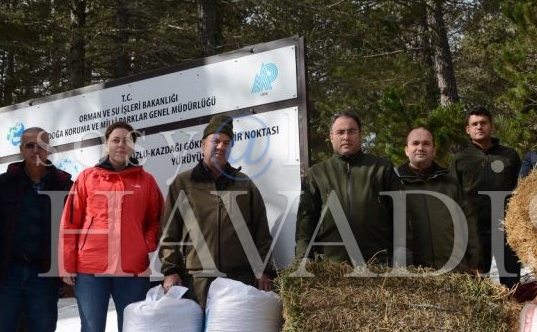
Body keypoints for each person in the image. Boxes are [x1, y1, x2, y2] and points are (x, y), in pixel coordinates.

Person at [60, 121, 163, 332]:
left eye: (127, 140)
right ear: (107, 143)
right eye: (116, 139)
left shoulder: (146, 181)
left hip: (132, 269)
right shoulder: (88, 178)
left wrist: (146, 243)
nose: (121, 145)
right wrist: (67, 263)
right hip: (90, 268)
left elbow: (156, 218)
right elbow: (71, 222)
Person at [0, 128, 73, 332]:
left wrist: (68, 272)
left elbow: (73, 231)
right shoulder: (2, 184)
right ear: (21, 149)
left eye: (42, 146)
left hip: (44, 275)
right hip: (8, 272)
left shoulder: (64, 185)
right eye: (30, 145)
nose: (36, 151)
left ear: (49, 150)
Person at [159, 115, 276, 307]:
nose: (221, 147)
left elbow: (261, 232)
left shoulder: (245, 184)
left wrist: (264, 270)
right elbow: (169, 232)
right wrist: (170, 271)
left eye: (227, 143)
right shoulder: (183, 184)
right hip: (197, 280)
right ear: (203, 144)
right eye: (216, 141)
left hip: (239, 279)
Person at [295, 112, 402, 266]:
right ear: (331, 137)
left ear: (360, 135)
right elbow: (306, 219)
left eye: (352, 131)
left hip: (378, 263)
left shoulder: (381, 168)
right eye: (340, 132)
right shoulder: (316, 173)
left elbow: (400, 213)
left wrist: (402, 251)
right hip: (331, 266)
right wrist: (303, 256)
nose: (346, 137)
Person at [449, 106, 522, 288]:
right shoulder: (460, 159)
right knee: (476, 284)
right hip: (474, 232)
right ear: (468, 129)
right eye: (474, 124)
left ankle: (514, 315)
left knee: (512, 283)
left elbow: (520, 191)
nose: (479, 127)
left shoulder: (510, 156)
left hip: (507, 230)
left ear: (492, 126)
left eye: (483, 123)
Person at [394, 127, 471, 273]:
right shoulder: (395, 184)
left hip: (454, 270)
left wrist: (475, 261)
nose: (420, 148)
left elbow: (469, 222)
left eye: (426, 144)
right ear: (406, 150)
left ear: (434, 150)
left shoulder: (450, 182)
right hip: (415, 274)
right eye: (415, 143)